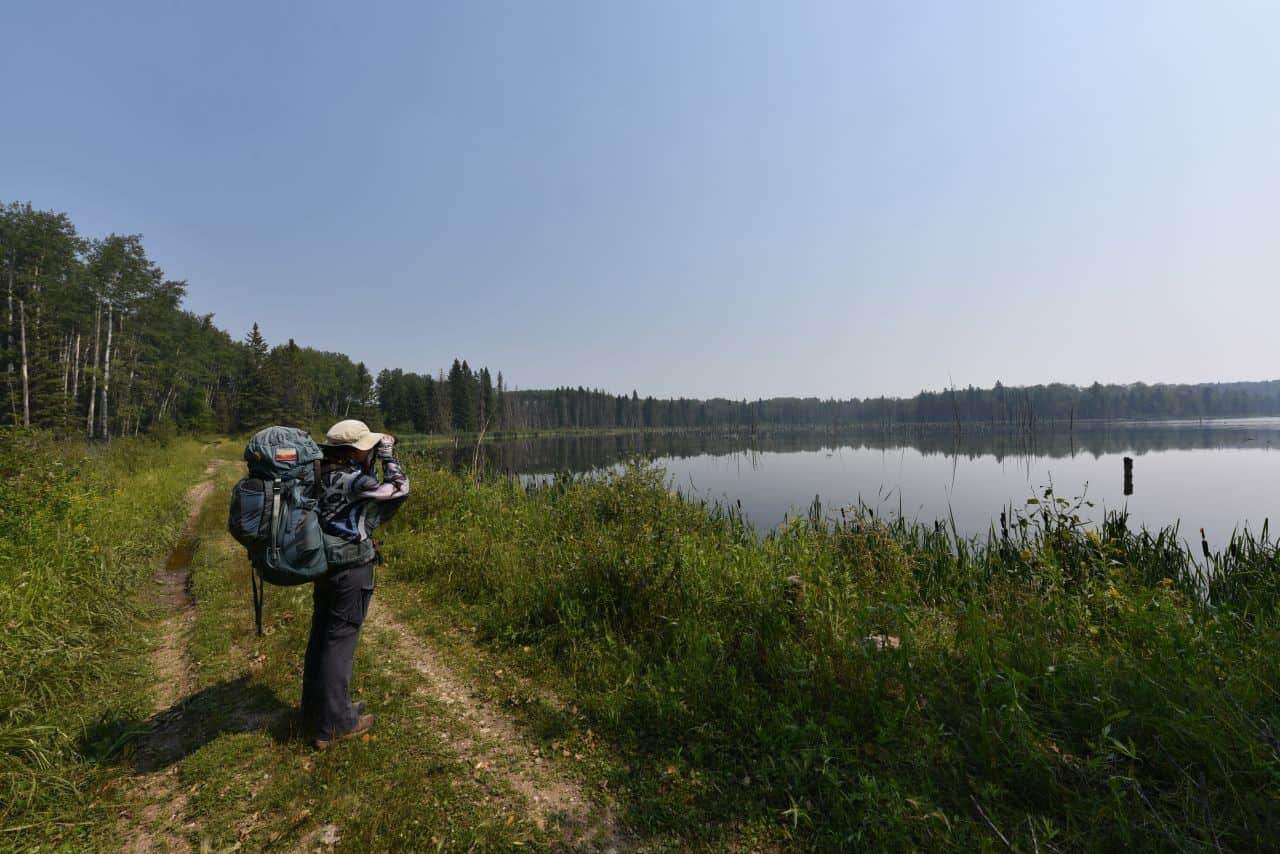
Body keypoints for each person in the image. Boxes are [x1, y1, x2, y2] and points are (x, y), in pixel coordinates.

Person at [302, 419, 409, 749]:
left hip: (324, 564)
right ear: (353, 451)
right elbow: (400, 488)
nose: (371, 451)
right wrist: (389, 454)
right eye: (368, 447)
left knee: (322, 635)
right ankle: (336, 724)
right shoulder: (354, 479)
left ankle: (319, 709)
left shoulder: (320, 474)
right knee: (341, 642)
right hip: (351, 568)